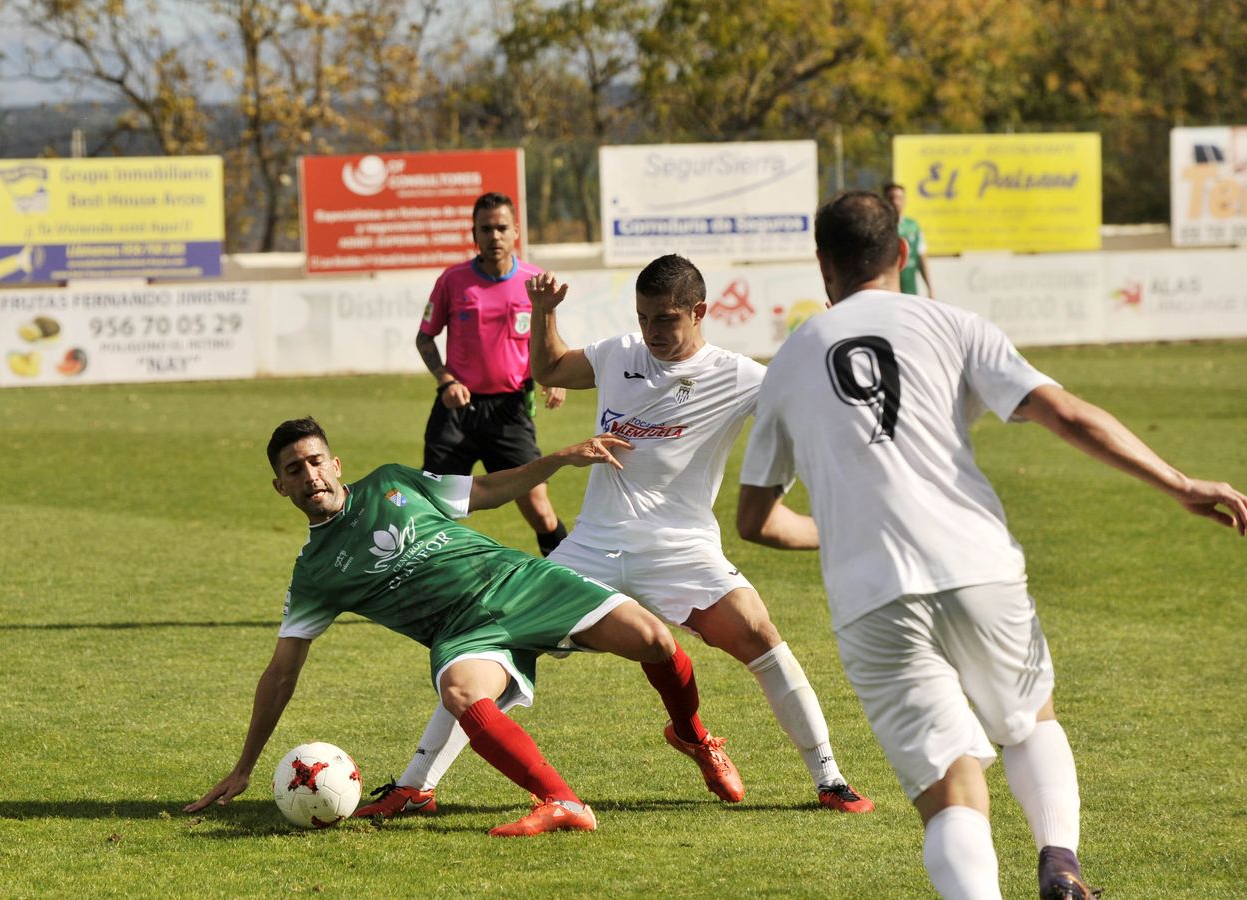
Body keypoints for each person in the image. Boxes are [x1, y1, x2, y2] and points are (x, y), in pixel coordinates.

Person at [734, 190, 1246, 899]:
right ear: (902, 254)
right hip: (977, 567)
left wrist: (851, 526)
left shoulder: (789, 362)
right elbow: (1063, 412)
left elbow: (755, 519)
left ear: (822, 265)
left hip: (872, 596)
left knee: (952, 793)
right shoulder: (953, 323)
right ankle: (1060, 863)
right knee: (1029, 724)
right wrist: (1177, 481)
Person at [351, 254, 874, 821]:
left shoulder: (740, 376)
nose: (651, 332)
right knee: (493, 640)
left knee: (760, 636)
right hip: (591, 548)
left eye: (666, 320)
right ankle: (414, 785)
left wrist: (833, 338)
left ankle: (830, 779)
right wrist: (544, 313)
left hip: (682, 548)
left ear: (699, 312)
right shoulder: (621, 352)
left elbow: (818, 400)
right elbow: (549, 370)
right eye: (644, 317)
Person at [186, 416, 722, 837]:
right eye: (295, 470)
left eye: (316, 462)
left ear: (336, 463)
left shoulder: (393, 482)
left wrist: (556, 460)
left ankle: (693, 737)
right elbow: (281, 671)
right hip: (466, 633)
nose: (310, 476)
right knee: (462, 690)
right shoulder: (314, 575)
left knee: (655, 641)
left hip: (523, 582)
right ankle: (563, 802)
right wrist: (244, 766)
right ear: (280, 486)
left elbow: (484, 491)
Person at [416, 192, 568, 557]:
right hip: (457, 409)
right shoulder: (453, 280)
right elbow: (425, 338)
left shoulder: (535, 280)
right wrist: (445, 380)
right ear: (474, 234)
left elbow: (548, 340)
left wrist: (555, 376)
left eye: (501, 228)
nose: (494, 236)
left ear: (516, 231)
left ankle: (574, 581)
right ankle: (426, 592)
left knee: (540, 511)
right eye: (486, 229)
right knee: (430, 509)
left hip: (510, 411)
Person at [883, 183, 933, 298]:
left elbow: (921, 258)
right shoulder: (880, 227)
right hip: (887, 292)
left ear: (905, 200)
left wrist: (930, 287)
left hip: (910, 290)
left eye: (899, 198)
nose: (896, 202)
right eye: (891, 198)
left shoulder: (913, 226)